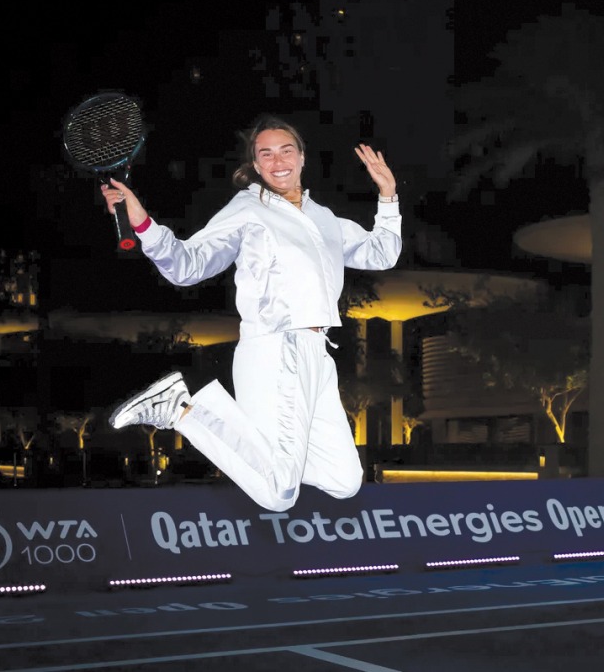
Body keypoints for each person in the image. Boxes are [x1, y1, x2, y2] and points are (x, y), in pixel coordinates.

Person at [99, 116, 401, 512]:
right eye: (266, 154)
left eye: (286, 150)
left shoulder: (323, 218)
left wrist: (389, 195)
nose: (277, 160)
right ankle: (180, 409)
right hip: (275, 348)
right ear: (256, 167)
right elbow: (187, 264)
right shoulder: (248, 209)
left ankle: (260, 454)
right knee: (278, 495)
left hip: (317, 353)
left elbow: (381, 252)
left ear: (302, 158)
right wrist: (141, 222)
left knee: (345, 481)